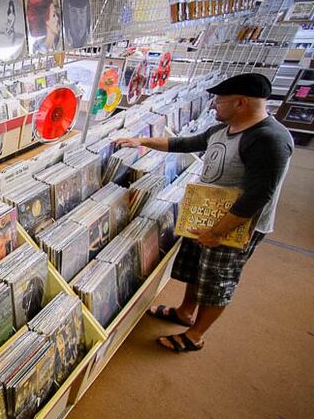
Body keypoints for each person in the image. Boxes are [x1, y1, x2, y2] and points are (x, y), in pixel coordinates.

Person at [113, 73, 293, 353]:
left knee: (218, 281)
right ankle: (185, 312)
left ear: (241, 102)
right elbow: (185, 144)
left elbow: (258, 197)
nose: (214, 106)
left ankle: (196, 335)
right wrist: (141, 142)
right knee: (200, 271)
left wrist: (217, 232)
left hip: (234, 228)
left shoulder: (270, 139)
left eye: (220, 100)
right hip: (207, 218)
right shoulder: (226, 128)